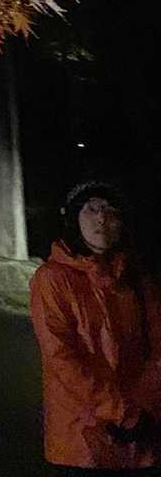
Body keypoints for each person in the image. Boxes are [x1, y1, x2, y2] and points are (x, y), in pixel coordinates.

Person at [31, 180, 161, 474]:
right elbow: (61, 358)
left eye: (111, 211)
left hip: (140, 434)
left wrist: (143, 408)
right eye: (91, 209)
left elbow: (157, 350)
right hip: (81, 437)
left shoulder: (138, 280)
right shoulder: (52, 279)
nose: (102, 218)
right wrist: (120, 411)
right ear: (74, 218)